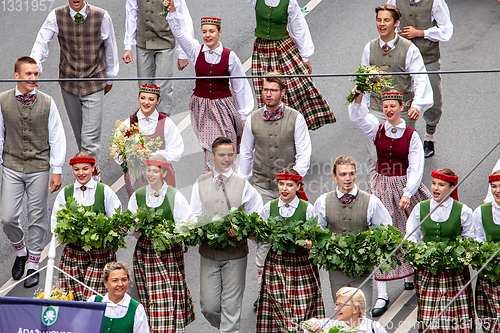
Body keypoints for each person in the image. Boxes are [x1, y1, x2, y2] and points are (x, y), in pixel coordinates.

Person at [349, 90, 431, 317]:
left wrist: (408, 192)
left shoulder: (411, 135)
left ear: (402, 106)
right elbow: (357, 118)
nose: (388, 110)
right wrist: (357, 98)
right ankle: (382, 294)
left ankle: (409, 275)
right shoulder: (377, 129)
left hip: (403, 185)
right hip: (381, 185)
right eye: (385, 106)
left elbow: (416, 164)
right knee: (381, 235)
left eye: (392, 106)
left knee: (408, 230)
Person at [239, 72, 312, 305]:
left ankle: (292, 287)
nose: (268, 94)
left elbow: (304, 153)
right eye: (265, 90)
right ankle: (264, 293)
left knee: (290, 239)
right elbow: (246, 153)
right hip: (261, 186)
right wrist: (243, 185)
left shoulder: (296, 118)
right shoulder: (252, 119)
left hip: (288, 190)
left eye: (272, 90)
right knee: (263, 241)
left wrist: (293, 182)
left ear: (282, 93)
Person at [30, 0, 119, 177]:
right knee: (80, 137)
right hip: (69, 85)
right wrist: (34, 69)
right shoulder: (56, 16)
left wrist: (110, 77)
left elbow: (111, 48)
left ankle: (92, 183)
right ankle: (92, 168)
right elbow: (41, 43)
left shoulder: (102, 16)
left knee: (89, 140)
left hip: (94, 82)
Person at [164, 0, 254, 171]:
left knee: (227, 145)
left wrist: (244, 114)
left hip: (223, 106)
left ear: (220, 32)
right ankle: (213, 182)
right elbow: (180, 34)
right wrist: (173, 11)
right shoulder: (195, 50)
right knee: (211, 146)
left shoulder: (230, 56)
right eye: (204, 32)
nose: (207, 35)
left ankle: (228, 180)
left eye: (212, 31)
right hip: (203, 106)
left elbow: (239, 85)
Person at [0, 56, 66, 288]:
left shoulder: (47, 102)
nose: (34, 78)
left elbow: (57, 136)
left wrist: (56, 169)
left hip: (39, 165)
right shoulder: (3, 101)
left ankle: (34, 263)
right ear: (16, 75)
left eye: (36, 74)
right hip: (12, 164)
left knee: (37, 215)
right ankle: (21, 251)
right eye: (29, 74)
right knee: (7, 217)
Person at [190, 137, 263, 333]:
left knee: (231, 308)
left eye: (230, 154)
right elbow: (194, 216)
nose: (226, 159)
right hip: (208, 253)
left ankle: (229, 330)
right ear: (212, 156)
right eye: (222, 154)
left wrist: (244, 230)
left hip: (235, 254)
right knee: (209, 307)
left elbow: (256, 215)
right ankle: (226, 328)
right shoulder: (200, 183)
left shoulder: (243, 184)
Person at [313, 155, 393, 312]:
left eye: (351, 173)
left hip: (362, 269)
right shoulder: (323, 202)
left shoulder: (371, 201)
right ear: (334, 176)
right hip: (336, 269)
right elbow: (317, 230)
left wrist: (372, 249)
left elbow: (386, 228)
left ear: (356, 175)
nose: (347, 178)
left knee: (361, 314)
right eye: (343, 174)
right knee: (343, 314)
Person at [244, 0, 335, 130]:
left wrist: (304, 56)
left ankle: (297, 125)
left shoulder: (289, 2)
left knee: (296, 87)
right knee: (266, 92)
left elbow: (298, 26)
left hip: (283, 49)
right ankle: (272, 128)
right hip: (262, 51)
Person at [128, 155, 195, 332]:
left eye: (154, 171)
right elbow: (132, 227)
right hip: (146, 253)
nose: (150, 174)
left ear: (164, 173)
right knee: (152, 299)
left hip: (168, 253)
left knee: (167, 298)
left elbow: (187, 225)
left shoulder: (175, 196)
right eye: (147, 170)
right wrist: (135, 226)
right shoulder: (138, 195)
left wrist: (171, 233)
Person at [406, 168, 475, 333]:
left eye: (441, 185)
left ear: (451, 188)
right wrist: (417, 254)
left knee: (457, 318)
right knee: (430, 318)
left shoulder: (463, 210)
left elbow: (470, 240)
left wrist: (459, 256)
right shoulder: (421, 209)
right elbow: (411, 236)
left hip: (455, 274)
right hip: (428, 273)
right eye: (434, 183)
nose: (435, 188)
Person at [256, 168, 324, 333]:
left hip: (301, 264)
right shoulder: (268, 208)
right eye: (281, 184)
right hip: (277, 262)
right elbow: (260, 236)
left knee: (302, 308)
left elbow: (318, 236)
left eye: (289, 185)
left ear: (298, 187)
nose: (284, 189)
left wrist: (310, 244)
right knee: (280, 306)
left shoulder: (307, 209)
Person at [52, 152, 121, 301]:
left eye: (85, 168)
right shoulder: (65, 193)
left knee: (93, 297)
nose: (81, 173)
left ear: (93, 168)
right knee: (71, 296)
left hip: (100, 254)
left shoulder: (104, 191)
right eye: (77, 169)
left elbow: (116, 219)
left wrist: (108, 234)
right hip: (73, 253)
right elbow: (56, 222)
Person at [387, 0, 453, 158]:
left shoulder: (435, 2)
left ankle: (429, 138)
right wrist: (397, 37)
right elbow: (388, 26)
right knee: (404, 99)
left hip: (427, 58)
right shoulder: (395, 1)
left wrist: (420, 33)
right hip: (404, 58)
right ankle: (409, 139)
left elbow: (446, 30)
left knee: (434, 101)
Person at [361, 4, 433, 129]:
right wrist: (362, 109)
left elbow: (421, 79)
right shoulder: (369, 48)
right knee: (376, 147)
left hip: (403, 111)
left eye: (386, 20)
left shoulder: (410, 49)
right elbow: (364, 80)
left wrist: (416, 106)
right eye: (379, 20)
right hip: (376, 109)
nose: (382, 24)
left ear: (396, 23)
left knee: (402, 147)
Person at [123, 0, 194, 115]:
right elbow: (131, 13)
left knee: (163, 88)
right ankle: (146, 124)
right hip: (143, 42)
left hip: (165, 42)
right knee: (144, 88)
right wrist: (128, 46)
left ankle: (162, 124)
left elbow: (183, 18)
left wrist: (183, 53)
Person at [114, 84, 184, 197]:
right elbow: (116, 151)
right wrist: (133, 159)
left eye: (151, 99)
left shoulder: (166, 123)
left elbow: (176, 151)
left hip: (161, 174)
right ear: (138, 98)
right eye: (143, 98)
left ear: (158, 101)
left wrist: (152, 157)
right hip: (136, 176)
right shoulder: (128, 123)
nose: (146, 102)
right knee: (140, 207)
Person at [88, 261, 149, 333]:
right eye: (115, 280)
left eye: (124, 280)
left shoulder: (136, 309)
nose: (120, 284)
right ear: (105, 283)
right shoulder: (94, 302)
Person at [473, 171, 500, 333]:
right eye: (494, 186)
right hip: (491, 275)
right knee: (492, 322)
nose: (497, 190)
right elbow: (478, 240)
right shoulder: (480, 212)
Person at [302, 287, 387, 333]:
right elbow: (310, 324)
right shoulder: (332, 326)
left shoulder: (374, 328)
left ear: (355, 309)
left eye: (341, 305)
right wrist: (313, 326)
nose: (336, 309)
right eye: (336, 305)